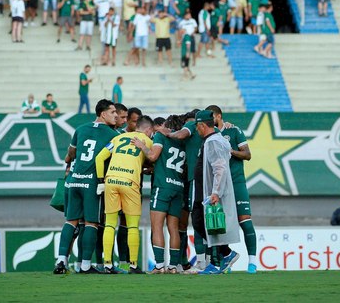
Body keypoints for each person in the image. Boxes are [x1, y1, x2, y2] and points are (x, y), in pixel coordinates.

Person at [54, 99, 119, 275]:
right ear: (103, 114)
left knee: (71, 221)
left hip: (74, 181)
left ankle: (61, 260)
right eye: (113, 112)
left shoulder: (80, 129)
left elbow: (70, 154)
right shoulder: (113, 135)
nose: (116, 116)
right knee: (91, 223)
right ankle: (84, 265)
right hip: (92, 183)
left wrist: (68, 162)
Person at [95, 115, 155, 274]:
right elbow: (152, 158)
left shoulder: (118, 138)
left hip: (111, 180)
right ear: (148, 130)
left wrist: (101, 180)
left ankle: (107, 264)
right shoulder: (147, 141)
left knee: (109, 224)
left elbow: (99, 158)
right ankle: (133, 265)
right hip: (130, 182)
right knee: (132, 226)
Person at [206, 105, 257, 274]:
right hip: (220, 185)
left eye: (212, 117)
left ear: (219, 116)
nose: (210, 120)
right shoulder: (209, 135)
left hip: (236, 182)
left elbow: (247, 154)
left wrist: (231, 151)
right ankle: (224, 263)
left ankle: (252, 262)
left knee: (245, 221)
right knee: (219, 222)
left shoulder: (233, 130)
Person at [133, 114, 185, 274]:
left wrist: (141, 145)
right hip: (178, 187)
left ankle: (160, 266)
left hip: (162, 187)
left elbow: (153, 155)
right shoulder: (183, 142)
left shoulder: (161, 138)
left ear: (167, 126)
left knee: (157, 227)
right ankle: (174, 266)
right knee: (173, 228)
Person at [192, 110, 240, 274]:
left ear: (202, 125)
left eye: (197, 127)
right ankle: (225, 256)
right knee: (205, 224)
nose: (196, 130)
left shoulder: (212, 142)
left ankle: (223, 257)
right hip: (204, 190)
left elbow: (220, 168)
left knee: (202, 223)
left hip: (208, 192)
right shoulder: (213, 140)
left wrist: (215, 193)